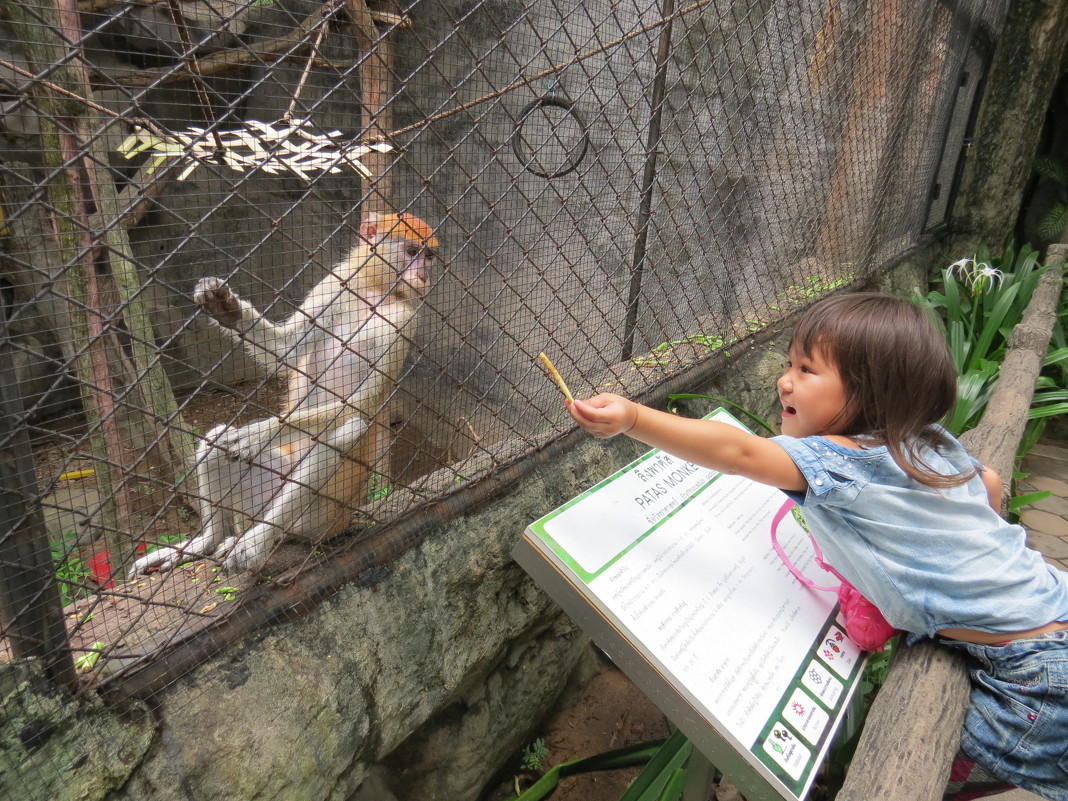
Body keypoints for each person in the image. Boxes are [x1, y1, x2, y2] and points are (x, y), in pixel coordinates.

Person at [567, 292, 1068, 801]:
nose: (784, 379)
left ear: (872, 394)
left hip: (1031, 676)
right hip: (1054, 604)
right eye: (789, 363)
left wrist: (634, 418)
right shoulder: (924, 439)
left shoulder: (838, 461)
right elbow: (990, 483)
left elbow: (738, 451)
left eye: (806, 370)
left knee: (941, 762)